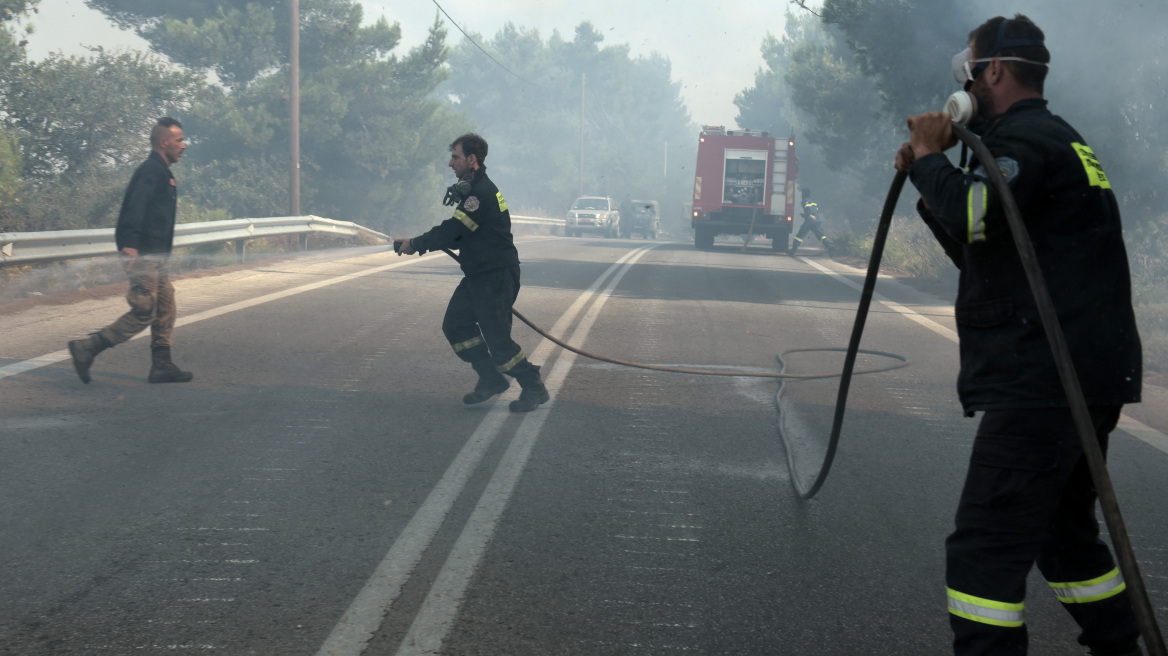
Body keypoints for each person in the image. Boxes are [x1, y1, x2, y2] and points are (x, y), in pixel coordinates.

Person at [894, 15, 1144, 656]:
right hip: (1079, 375)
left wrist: (928, 157)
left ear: (993, 72)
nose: (968, 84)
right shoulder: (1052, 140)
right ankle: (1118, 645)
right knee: (1064, 536)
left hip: (1045, 380)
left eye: (971, 71)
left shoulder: (1025, 140)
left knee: (984, 547)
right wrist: (931, 177)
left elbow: (978, 214)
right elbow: (991, 249)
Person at [396, 133, 549, 413]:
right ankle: (491, 378)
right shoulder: (474, 188)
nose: (450, 163)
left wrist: (415, 244)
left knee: (498, 340)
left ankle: (533, 386)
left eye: (455, 157)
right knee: (456, 326)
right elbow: (459, 234)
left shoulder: (480, 194)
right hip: (480, 275)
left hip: (496, 275)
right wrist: (419, 242)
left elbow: (454, 231)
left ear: (472, 159)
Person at [68, 117, 193, 385]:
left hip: (154, 257)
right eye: (179, 139)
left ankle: (162, 365)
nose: (184, 145)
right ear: (164, 142)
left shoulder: (161, 171)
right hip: (144, 255)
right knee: (144, 311)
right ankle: (87, 347)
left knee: (165, 306)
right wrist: (131, 246)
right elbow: (136, 207)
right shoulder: (152, 170)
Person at [791, 188, 833, 255]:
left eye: (802, 193)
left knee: (800, 235)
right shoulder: (813, 200)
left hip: (810, 221)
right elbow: (815, 211)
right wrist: (806, 215)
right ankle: (829, 245)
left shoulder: (805, 200)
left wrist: (809, 214)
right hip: (817, 220)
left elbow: (808, 208)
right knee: (821, 235)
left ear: (804, 193)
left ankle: (793, 251)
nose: (801, 194)